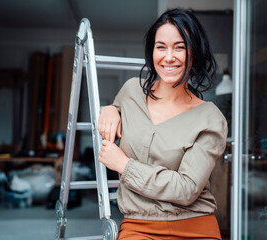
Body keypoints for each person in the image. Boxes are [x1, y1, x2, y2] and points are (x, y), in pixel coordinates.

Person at [97, 8, 228, 240]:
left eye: (180, 47)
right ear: (152, 52)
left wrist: (124, 165)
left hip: (194, 226)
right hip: (138, 225)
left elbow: (186, 189)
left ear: (194, 53)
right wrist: (109, 110)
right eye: (161, 47)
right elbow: (118, 109)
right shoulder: (131, 91)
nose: (169, 57)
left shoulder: (210, 118)